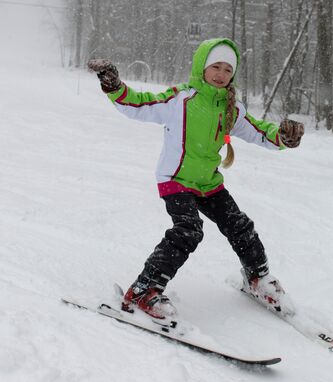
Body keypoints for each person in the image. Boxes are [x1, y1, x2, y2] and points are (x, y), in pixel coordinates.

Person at [88, 38, 304, 320]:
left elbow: (259, 131)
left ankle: (258, 278)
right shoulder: (181, 99)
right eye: (215, 66)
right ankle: (144, 291)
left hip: (209, 182)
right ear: (201, 66)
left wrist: (283, 137)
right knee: (189, 230)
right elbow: (139, 104)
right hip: (176, 179)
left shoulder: (231, 109)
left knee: (240, 226)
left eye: (228, 69)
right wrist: (115, 86)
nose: (221, 74)